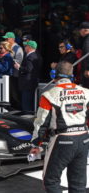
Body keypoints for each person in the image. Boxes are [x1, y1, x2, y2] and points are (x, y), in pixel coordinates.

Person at [30, 61, 89, 193]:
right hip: (84, 139)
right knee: (79, 184)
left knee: (50, 181)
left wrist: (36, 144)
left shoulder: (49, 95)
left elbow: (41, 123)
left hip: (62, 140)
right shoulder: (86, 92)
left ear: (54, 75)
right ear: (72, 75)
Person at [14, 40, 41, 111]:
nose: (24, 47)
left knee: (26, 104)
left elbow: (29, 69)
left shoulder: (30, 57)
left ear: (29, 47)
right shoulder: (35, 55)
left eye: (26, 46)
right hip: (30, 83)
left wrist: (19, 67)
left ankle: (27, 119)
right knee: (29, 102)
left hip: (27, 84)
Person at [3, 31, 24, 110]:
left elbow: (19, 61)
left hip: (15, 75)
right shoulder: (6, 47)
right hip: (7, 75)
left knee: (15, 94)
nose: (5, 40)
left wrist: (8, 59)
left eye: (7, 39)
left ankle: (18, 111)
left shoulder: (18, 48)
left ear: (12, 39)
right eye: (5, 39)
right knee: (8, 94)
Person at [79, 21, 89, 88]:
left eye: (80, 30)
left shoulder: (87, 41)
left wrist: (88, 69)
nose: (79, 32)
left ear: (85, 30)